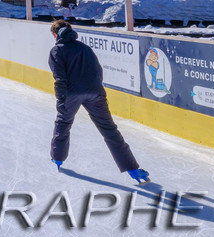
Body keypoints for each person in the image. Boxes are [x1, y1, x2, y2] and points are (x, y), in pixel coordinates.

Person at [47, 20, 149, 184]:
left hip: (72, 94)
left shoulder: (57, 51)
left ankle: (57, 159)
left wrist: (61, 99)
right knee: (109, 129)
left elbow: (59, 78)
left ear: (54, 34)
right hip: (95, 92)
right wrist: (95, 90)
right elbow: (98, 71)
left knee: (63, 123)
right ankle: (133, 169)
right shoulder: (85, 48)